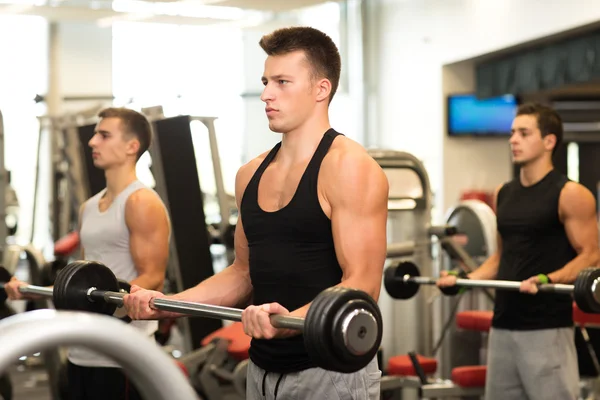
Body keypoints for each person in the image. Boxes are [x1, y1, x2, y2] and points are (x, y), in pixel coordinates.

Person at [124, 26, 388, 399]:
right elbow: (242, 273)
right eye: (266, 81)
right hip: (262, 369)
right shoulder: (250, 174)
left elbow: (361, 284)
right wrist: (169, 305)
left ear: (321, 89)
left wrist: (288, 322)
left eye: (282, 82)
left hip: (330, 372)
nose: (266, 94)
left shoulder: (349, 167)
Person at [5, 107, 171, 400]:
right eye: (95, 134)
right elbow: (80, 283)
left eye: (104, 135)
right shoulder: (89, 207)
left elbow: (153, 279)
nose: (93, 142)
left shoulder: (141, 201)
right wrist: (35, 291)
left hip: (121, 352)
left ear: (132, 146)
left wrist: (116, 302)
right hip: (82, 347)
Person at [438, 102, 599, 400]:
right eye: (513, 133)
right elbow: (501, 258)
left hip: (547, 329)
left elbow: (591, 255)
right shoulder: (505, 193)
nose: (513, 140)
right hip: (502, 326)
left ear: (549, 141)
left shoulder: (571, 194)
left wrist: (548, 279)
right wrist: (463, 281)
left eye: (524, 133)